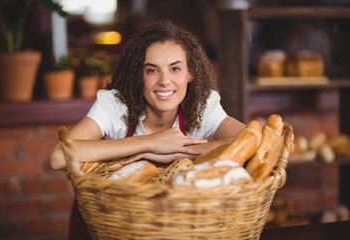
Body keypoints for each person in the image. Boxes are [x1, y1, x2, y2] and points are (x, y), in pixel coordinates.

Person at [49, 19, 245, 240]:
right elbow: (58, 157)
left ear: (190, 73)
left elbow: (251, 137)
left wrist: (179, 152)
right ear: (139, 75)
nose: (165, 81)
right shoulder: (115, 104)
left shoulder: (202, 104)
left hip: (172, 229)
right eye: (152, 70)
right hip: (106, 226)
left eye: (175, 69)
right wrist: (149, 143)